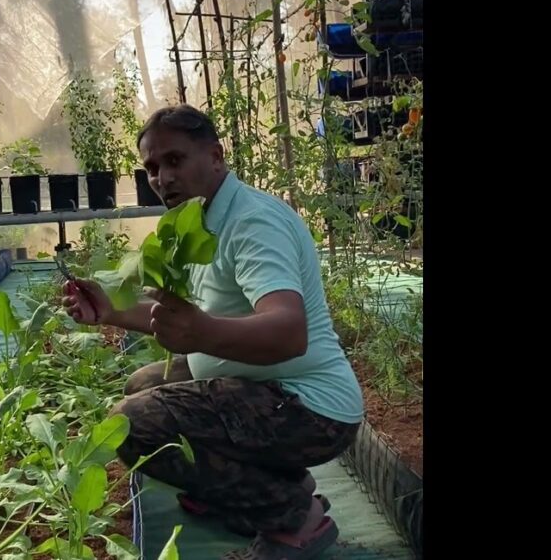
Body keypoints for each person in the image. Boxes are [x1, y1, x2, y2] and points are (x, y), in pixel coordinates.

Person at [62, 104, 364, 560]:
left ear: (217, 157)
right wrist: (110, 309)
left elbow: (288, 332)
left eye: (175, 160)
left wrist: (202, 335)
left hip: (310, 409)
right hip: (268, 389)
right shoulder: (201, 219)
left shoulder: (251, 223)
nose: (162, 177)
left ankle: (293, 516)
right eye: (152, 168)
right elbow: (183, 319)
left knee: (133, 423)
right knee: (145, 385)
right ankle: (278, 483)